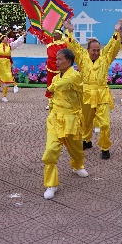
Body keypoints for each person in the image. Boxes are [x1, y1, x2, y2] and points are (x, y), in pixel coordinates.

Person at [62, 18, 122, 159]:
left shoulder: (105, 58)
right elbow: (73, 46)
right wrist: (69, 32)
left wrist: (116, 31)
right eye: (93, 50)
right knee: (85, 120)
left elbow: (113, 47)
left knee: (105, 123)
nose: (96, 52)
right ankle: (87, 140)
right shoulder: (82, 57)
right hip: (87, 93)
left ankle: (105, 147)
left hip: (102, 93)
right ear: (87, 50)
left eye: (97, 50)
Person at [41, 48, 88, 200]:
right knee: (50, 152)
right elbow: (53, 96)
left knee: (76, 149)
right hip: (55, 119)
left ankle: (78, 165)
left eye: (60, 59)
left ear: (69, 61)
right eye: (56, 59)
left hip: (71, 119)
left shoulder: (74, 76)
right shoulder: (56, 77)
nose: (57, 62)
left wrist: (50, 87)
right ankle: (51, 184)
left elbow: (60, 85)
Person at [33, 29, 67, 107]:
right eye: (54, 33)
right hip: (50, 66)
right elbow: (42, 35)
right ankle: (50, 102)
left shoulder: (64, 44)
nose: (54, 35)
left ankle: (60, 101)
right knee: (50, 83)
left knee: (60, 84)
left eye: (56, 34)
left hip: (60, 66)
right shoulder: (50, 41)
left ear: (60, 35)